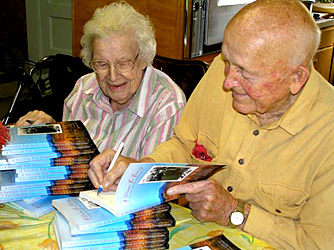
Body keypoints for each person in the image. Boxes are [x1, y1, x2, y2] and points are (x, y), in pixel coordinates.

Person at [88, 0, 334, 249]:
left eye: (245, 74)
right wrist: (142, 171)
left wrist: (234, 212)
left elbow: (318, 243)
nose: (227, 81)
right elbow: (184, 145)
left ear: (296, 78)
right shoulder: (221, 72)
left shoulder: (328, 133)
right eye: (227, 61)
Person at [15, 1, 186, 159]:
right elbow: (70, 159)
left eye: (123, 63)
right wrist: (53, 133)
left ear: (143, 59)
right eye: (102, 64)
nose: (112, 76)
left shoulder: (167, 104)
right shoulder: (84, 87)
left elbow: (150, 182)